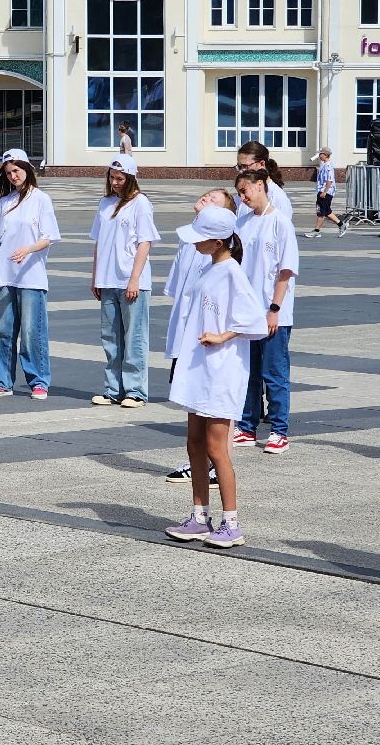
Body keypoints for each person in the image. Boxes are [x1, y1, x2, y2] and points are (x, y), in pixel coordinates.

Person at [163, 205, 270, 549]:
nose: (194, 243)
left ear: (219, 240)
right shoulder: (211, 268)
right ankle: (199, 516)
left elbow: (255, 321)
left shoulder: (232, 273)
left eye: (200, 238)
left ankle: (232, 522)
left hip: (220, 370)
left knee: (215, 447)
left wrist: (221, 336)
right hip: (199, 368)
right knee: (194, 441)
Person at [162, 188, 237, 484]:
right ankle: (202, 464)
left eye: (213, 200)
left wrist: (220, 336)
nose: (205, 199)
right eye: (205, 196)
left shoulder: (222, 260)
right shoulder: (189, 243)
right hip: (187, 335)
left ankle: (217, 463)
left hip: (207, 338)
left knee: (214, 406)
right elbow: (178, 291)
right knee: (194, 403)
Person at [233, 169, 299, 454]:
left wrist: (274, 308)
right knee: (250, 373)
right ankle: (247, 426)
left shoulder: (280, 222)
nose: (243, 198)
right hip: (247, 312)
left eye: (245, 191)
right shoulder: (243, 222)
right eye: (239, 194)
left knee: (275, 373)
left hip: (274, 313)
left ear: (260, 186)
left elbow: (285, 271)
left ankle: (279, 430)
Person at [0, 148, 61, 399]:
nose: (12, 176)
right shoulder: (5, 202)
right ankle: (1, 380)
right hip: (4, 274)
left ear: (27, 169)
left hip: (31, 275)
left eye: (16, 171)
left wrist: (28, 249)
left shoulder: (41, 199)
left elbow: (49, 236)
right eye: (8, 173)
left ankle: (39, 380)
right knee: (0, 329)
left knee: (32, 331)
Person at [90, 155, 159, 408]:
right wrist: (96, 275)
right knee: (110, 337)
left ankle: (135, 391)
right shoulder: (105, 203)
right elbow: (99, 241)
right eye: (112, 177)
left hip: (131, 279)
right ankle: (112, 389)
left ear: (130, 178)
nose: (115, 182)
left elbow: (144, 242)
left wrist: (135, 279)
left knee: (134, 337)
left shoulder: (140, 203)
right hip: (108, 279)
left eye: (120, 178)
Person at [235, 141, 292, 218]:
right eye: (239, 166)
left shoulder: (277, 197)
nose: (241, 171)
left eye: (245, 166)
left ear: (262, 164)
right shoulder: (241, 194)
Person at [306, 147, 343, 237]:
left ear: (325, 155)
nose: (319, 156)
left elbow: (329, 180)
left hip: (325, 192)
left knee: (321, 212)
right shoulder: (325, 165)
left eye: (321, 154)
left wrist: (325, 191)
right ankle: (341, 225)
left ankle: (317, 231)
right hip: (322, 191)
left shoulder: (328, 166)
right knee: (326, 211)